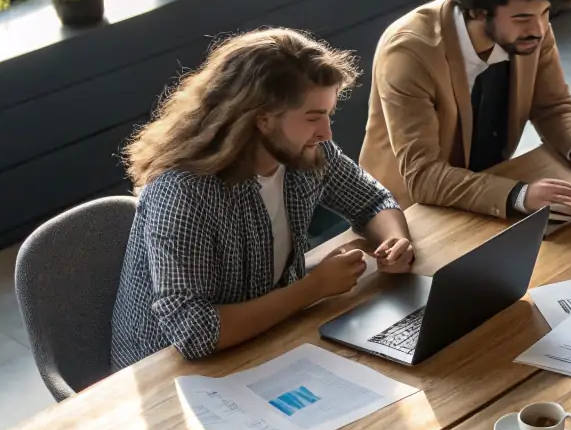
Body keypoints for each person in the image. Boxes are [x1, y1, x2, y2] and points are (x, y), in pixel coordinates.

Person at [111, 29, 413, 370]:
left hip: (267, 338)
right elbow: (193, 332)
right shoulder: (183, 191)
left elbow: (372, 200)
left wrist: (395, 240)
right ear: (263, 120)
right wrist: (313, 288)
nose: (326, 133)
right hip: (171, 372)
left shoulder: (306, 152)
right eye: (313, 118)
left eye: (328, 115)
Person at [360, 0, 571, 219]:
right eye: (522, 18)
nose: (539, 29)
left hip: (486, 191)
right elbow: (423, 176)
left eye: (545, 13)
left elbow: (552, 106)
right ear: (478, 11)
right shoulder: (410, 52)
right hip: (406, 214)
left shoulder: (530, 31)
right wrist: (519, 194)